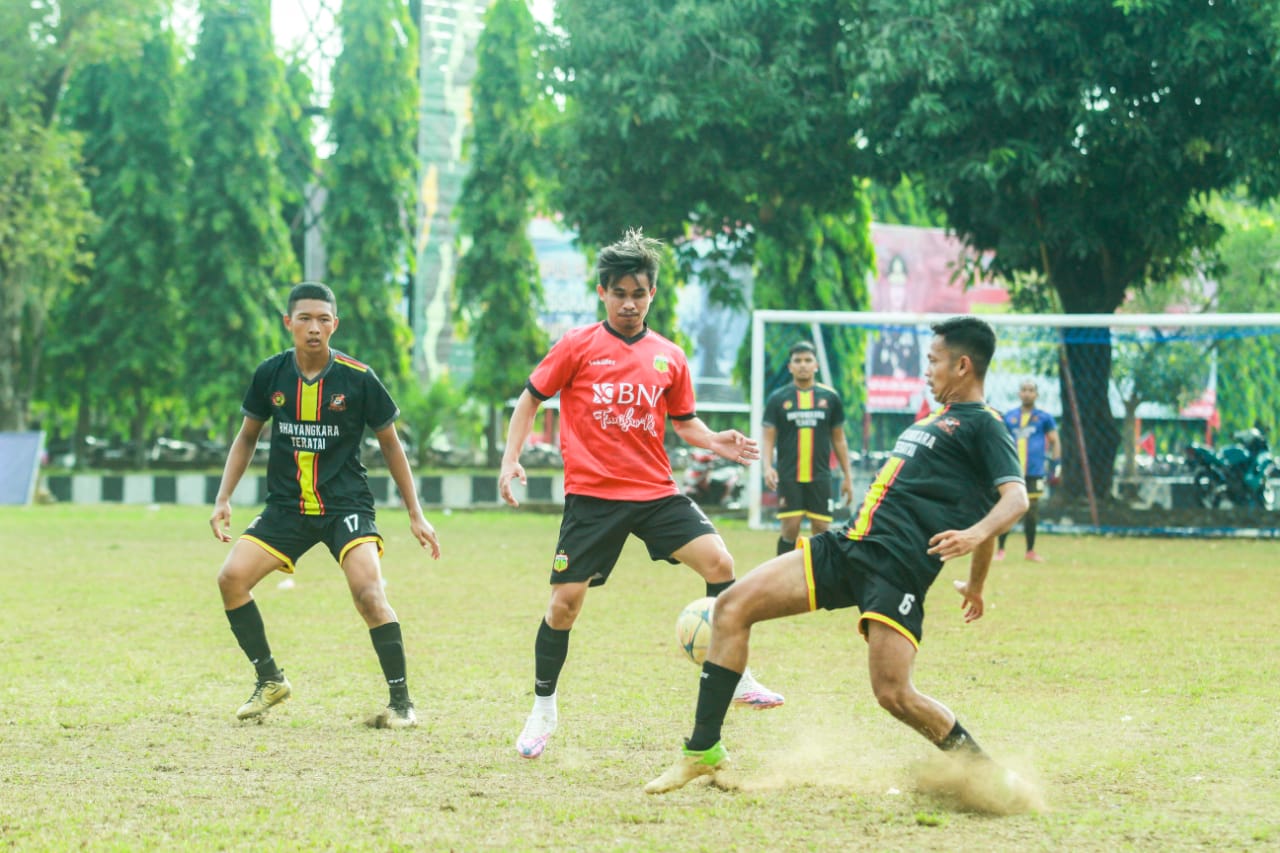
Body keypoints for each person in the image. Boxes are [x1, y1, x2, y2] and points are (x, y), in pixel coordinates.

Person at [645, 316, 1030, 797]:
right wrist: (974, 582)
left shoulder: (986, 426)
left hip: (896, 568)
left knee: (893, 694)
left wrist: (973, 542)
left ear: (963, 365)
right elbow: (983, 503)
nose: (927, 371)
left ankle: (987, 776)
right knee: (732, 605)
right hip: (847, 546)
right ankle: (701, 752)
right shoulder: (932, 420)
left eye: (934, 362)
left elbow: (1012, 500)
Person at [499, 228, 784, 761]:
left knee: (720, 560)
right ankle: (543, 710)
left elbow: (686, 424)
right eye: (619, 293)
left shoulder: (668, 356)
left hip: (654, 492)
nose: (629, 303)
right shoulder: (577, 346)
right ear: (602, 293)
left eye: (639, 293)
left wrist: (715, 441)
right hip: (593, 497)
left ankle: (740, 673)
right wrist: (510, 458)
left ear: (652, 294)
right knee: (564, 606)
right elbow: (529, 399)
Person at [209, 281, 441, 729]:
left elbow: (392, 446)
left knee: (369, 593)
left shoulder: (358, 377)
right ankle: (269, 679)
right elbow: (247, 437)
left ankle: (401, 703)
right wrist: (223, 498)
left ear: (335, 324)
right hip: (287, 507)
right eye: (304, 319)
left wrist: (416, 513)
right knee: (231, 579)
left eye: (322, 319)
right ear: (288, 323)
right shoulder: (270, 375)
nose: (313, 328)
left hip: (346, 507)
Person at [761, 341, 855, 555]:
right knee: (790, 528)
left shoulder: (830, 398)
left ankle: (821, 582)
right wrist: (767, 467)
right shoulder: (778, 399)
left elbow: (839, 440)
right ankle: (782, 582)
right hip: (789, 475)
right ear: (790, 366)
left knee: (822, 530)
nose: (803, 365)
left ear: (816, 365)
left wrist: (847, 476)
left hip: (820, 476)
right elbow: (768, 438)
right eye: (797, 361)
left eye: (807, 360)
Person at [996, 379, 1060, 563]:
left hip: (1034, 472)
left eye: (1031, 390)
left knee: (1032, 511)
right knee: (1006, 509)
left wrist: (1056, 465)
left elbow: (1055, 441)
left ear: (1036, 394)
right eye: (1024, 390)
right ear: (1019, 393)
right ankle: (1000, 550)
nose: (1027, 393)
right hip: (1012, 471)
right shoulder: (1009, 417)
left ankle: (1030, 551)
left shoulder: (1044, 418)